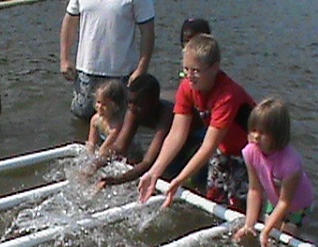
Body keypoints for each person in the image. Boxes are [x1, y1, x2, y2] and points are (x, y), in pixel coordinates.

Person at [138, 34, 255, 210]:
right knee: (213, 202)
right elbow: (176, 134)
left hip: (250, 153)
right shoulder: (187, 86)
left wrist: (180, 179)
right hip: (223, 148)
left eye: (196, 71)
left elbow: (208, 145)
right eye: (186, 69)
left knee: (239, 208)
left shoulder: (228, 95)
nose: (189, 76)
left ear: (215, 68)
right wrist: (155, 171)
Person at [91, 74, 205, 188]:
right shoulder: (134, 110)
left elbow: (148, 162)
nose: (132, 108)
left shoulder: (167, 114)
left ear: (153, 102)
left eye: (137, 103)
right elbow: (120, 146)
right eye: (129, 102)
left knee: (191, 179)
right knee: (164, 174)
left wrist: (117, 180)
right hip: (175, 138)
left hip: (196, 137)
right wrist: (95, 165)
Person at [233, 98, 314, 247]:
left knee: (286, 240)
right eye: (253, 130)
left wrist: (266, 231)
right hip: (274, 198)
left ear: (277, 135)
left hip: (297, 204)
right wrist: (249, 224)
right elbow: (254, 189)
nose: (256, 136)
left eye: (263, 133)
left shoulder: (291, 163)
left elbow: (285, 202)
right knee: (269, 235)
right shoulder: (250, 152)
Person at [60, 0, 156, 121]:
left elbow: (148, 31)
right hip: (85, 73)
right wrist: (65, 59)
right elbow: (70, 22)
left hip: (121, 75)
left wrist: (141, 69)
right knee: (82, 118)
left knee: (119, 124)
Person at [85, 80, 127, 158]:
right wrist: (88, 157)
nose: (100, 107)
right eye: (98, 102)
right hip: (108, 147)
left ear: (116, 106)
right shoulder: (95, 120)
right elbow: (91, 143)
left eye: (104, 105)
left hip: (128, 152)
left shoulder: (116, 126)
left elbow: (104, 150)